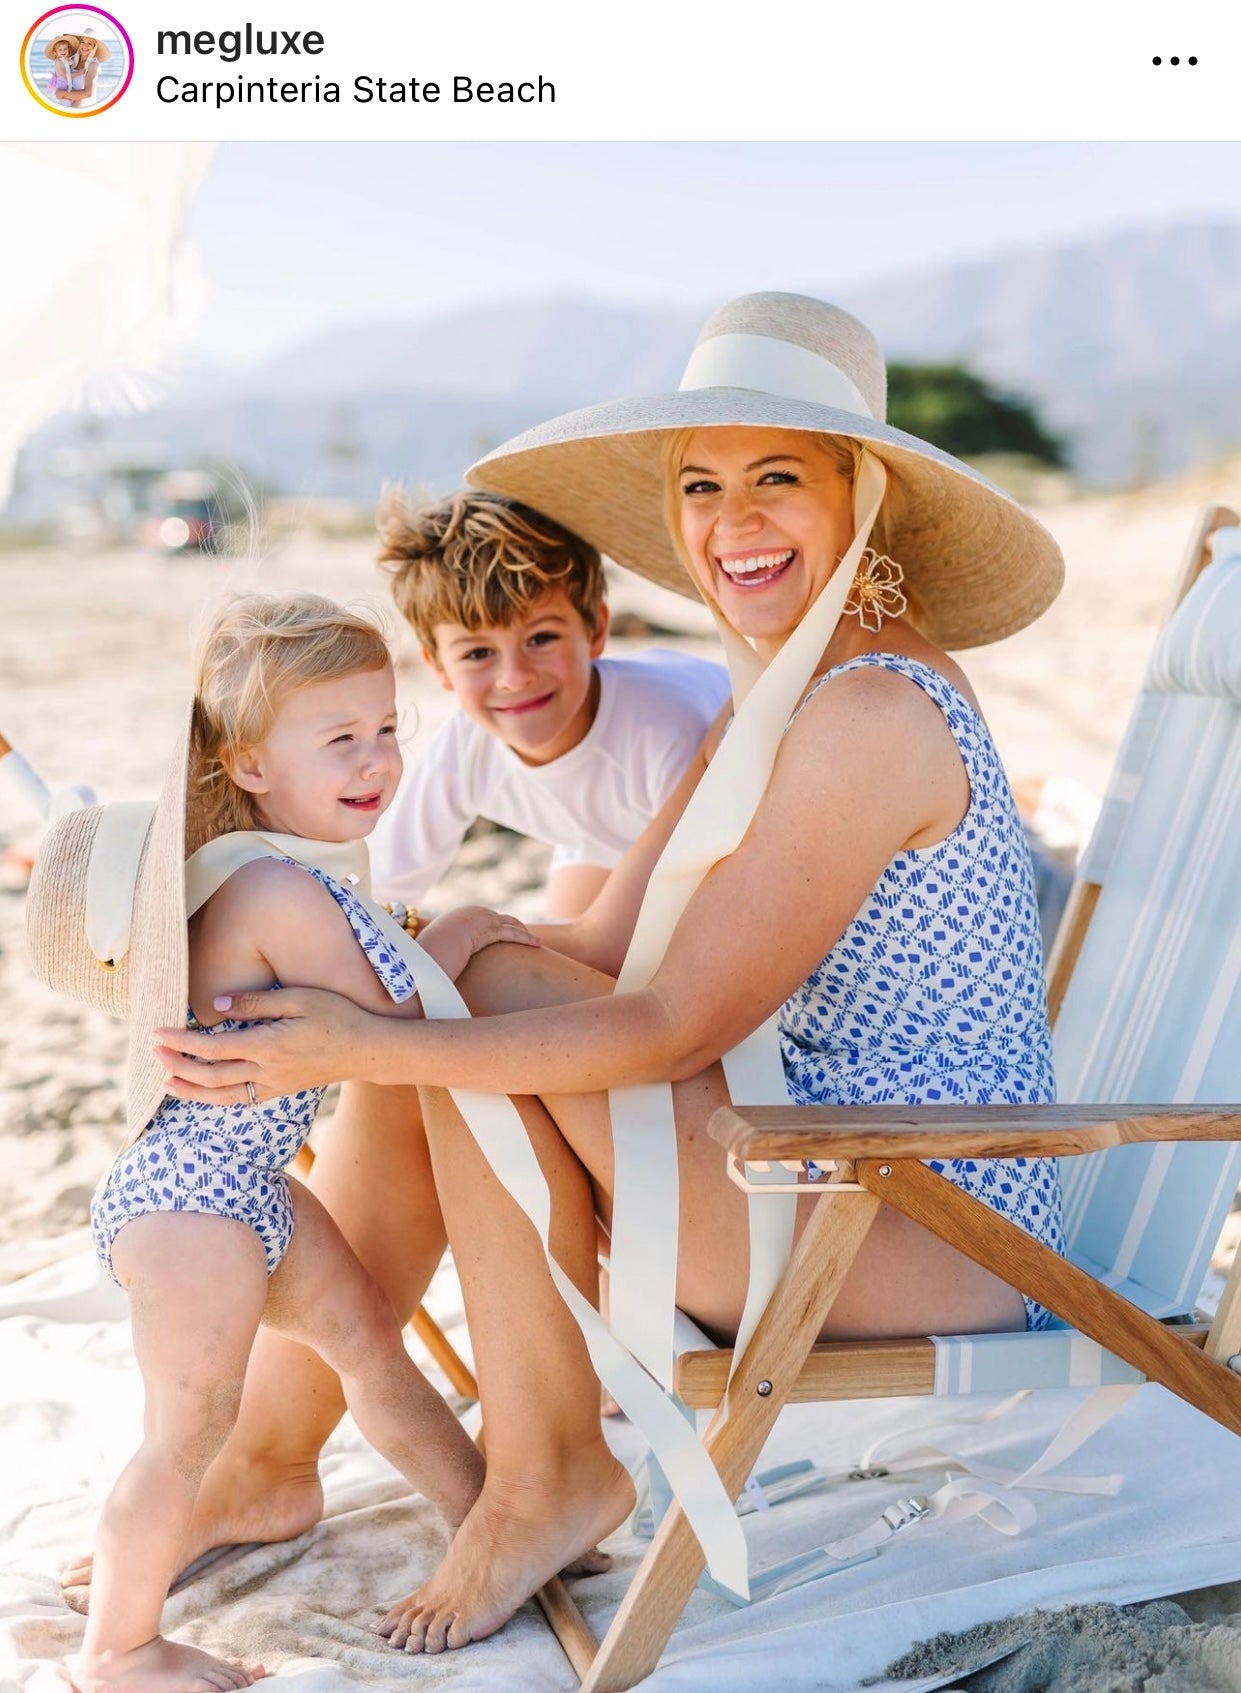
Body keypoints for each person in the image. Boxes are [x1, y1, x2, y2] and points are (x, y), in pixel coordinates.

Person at [106, 292, 1068, 1656]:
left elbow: (672, 1022)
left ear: (864, 497)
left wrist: (364, 1040)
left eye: (777, 478)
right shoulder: (784, 688)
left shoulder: (869, 712)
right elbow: (607, 945)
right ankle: (270, 1455)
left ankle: (551, 1465)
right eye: (700, 484)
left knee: (456, 1004)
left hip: (912, 1211)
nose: (731, 520)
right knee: (458, 961)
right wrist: (428, 972)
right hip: (803, 1165)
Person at [31, 592, 538, 1691]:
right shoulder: (272, 887)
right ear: (253, 767)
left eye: (388, 728)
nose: (376, 761)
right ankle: (116, 1650)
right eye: (339, 740)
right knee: (189, 1424)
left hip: (245, 1177)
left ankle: (499, 1522)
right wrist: (460, 930)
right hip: (190, 1199)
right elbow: (402, 1029)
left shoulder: (277, 869)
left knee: (368, 1343)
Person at [370, 487, 730, 918]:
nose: (515, 677)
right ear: (439, 666)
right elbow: (379, 889)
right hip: (606, 838)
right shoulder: (464, 749)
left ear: (595, 630)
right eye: (477, 654)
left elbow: (713, 910)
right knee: (561, 944)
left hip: (733, 837)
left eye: (541, 639)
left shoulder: (665, 731)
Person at [43, 34, 80, 102]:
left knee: (75, 95)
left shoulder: (65, 60)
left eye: (65, 49)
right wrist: (79, 73)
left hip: (67, 83)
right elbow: (65, 76)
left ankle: (67, 98)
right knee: (68, 96)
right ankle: (64, 98)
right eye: (60, 50)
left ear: (68, 49)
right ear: (56, 52)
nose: (63, 51)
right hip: (62, 84)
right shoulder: (58, 61)